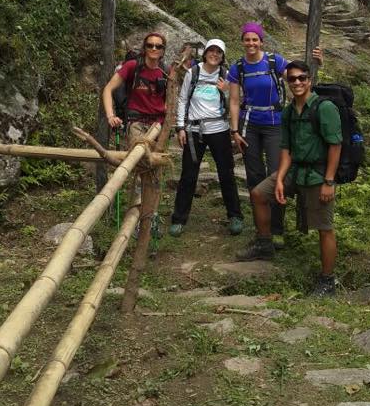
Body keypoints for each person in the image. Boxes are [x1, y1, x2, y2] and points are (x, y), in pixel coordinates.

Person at [237, 59, 342, 298]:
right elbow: (286, 149)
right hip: (295, 171)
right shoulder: (288, 112)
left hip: (317, 174)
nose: (297, 82)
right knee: (258, 194)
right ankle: (265, 243)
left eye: (301, 78)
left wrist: (329, 181)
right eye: (292, 78)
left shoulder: (324, 108)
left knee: (324, 228)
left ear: (309, 80)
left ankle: (328, 281)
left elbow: (336, 145)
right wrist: (281, 178)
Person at [228, 23, 323, 249]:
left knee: (275, 175)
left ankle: (277, 229)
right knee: (254, 177)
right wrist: (234, 131)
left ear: (261, 41)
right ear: (242, 41)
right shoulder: (237, 67)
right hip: (249, 125)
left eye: (255, 39)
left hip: (275, 124)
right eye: (247, 39)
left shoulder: (274, 61)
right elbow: (233, 101)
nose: (251, 43)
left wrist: (317, 63)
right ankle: (263, 230)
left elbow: (299, 78)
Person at [170, 39, 243, 237]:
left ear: (223, 56)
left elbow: (234, 103)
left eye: (218, 52)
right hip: (194, 130)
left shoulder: (226, 75)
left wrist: (226, 92)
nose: (214, 54)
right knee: (188, 175)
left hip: (219, 128)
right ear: (205, 53)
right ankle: (178, 219)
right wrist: (180, 127)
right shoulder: (193, 73)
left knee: (226, 173)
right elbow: (183, 99)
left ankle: (235, 216)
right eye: (211, 51)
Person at [102, 32, 169, 141]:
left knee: (153, 158)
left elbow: (170, 99)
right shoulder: (133, 66)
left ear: (163, 50)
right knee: (137, 155)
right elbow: (108, 89)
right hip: (136, 123)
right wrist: (110, 116)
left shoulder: (166, 71)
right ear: (144, 48)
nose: (154, 48)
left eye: (158, 46)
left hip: (158, 125)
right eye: (150, 45)